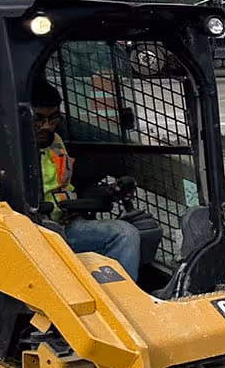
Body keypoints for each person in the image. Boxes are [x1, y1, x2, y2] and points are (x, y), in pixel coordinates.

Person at [28, 79, 142, 281]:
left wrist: (108, 192)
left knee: (125, 234)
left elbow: (69, 189)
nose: (47, 126)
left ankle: (118, 302)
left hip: (61, 226)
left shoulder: (56, 143)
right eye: (39, 119)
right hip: (20, 235)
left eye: (54, 119)